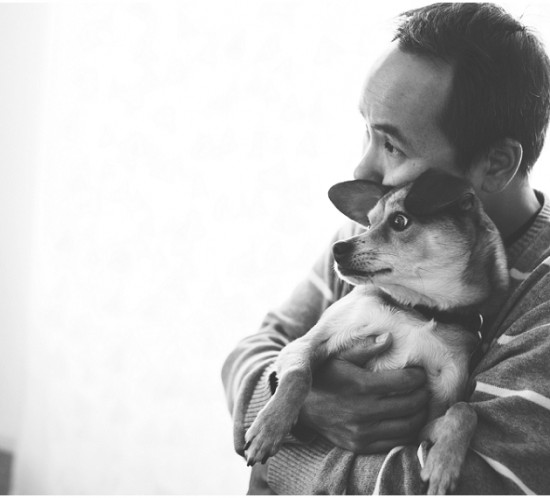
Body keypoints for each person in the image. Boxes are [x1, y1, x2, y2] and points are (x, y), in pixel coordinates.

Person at [222, 2, 550, 494]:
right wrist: (300, 400)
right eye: (367, 132)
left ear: (496, 164)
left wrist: (279, 457)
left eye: (393, 146)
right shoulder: (367, 243)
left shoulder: (541, 307)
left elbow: (457, 488)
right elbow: (255, 347)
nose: (361, 169)